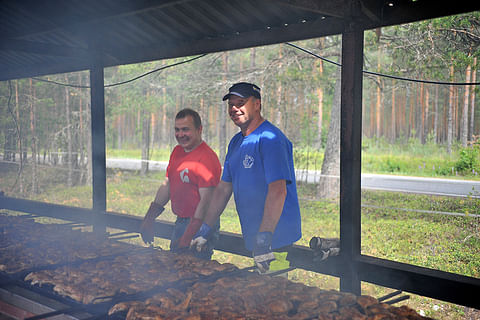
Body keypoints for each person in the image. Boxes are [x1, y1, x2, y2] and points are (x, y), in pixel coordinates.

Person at [191, 82, 301, 272]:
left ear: (256, 104)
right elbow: (223, 189)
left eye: (240, 103)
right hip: (255, 237)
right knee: (259, 297)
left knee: (275, 297)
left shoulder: (270, 139)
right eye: (230, 105)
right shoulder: (236, 142)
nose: (234, 109)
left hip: (276, 240)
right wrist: (205, 228)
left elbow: (278, 190)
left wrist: (265, 237)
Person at [140, 108, 221, 259]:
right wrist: (149, 217)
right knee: (175, 269)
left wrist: (189, 235)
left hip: (201, 225)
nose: (180, 134)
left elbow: (207, 202)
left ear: (199, 129)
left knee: (193, 274)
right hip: (181, 221)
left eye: (185, 130)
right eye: (177, 130)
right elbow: (168, 185)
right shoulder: (177, 151)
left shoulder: (207, 159)